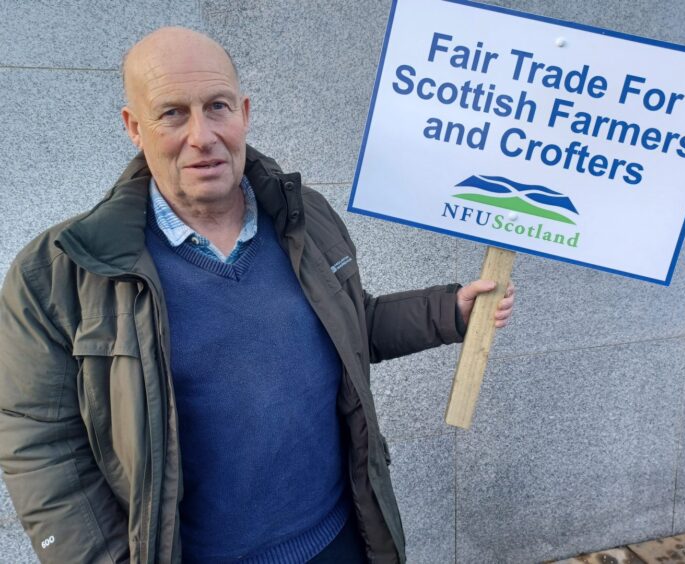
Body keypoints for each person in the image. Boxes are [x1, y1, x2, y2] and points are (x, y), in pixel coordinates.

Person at [0, 27, 514, 564]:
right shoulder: (59, 272)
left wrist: (448, 312)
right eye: (172, 112)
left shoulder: (305, 217)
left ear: (243, 112)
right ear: (133, 126)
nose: (202, 135)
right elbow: (41, 443)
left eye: (216, 106)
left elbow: (348, 328)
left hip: (341, 542)